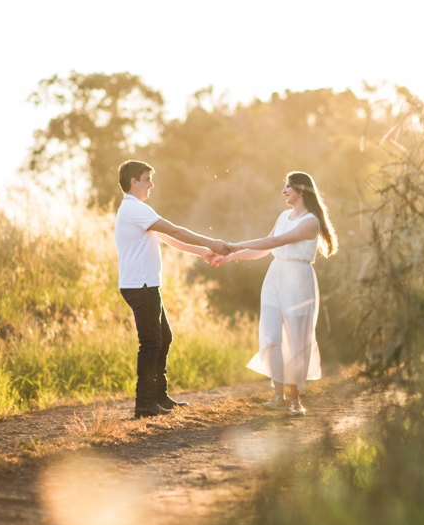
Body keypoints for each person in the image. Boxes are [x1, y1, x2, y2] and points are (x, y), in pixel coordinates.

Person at [213, 171, 338, 415]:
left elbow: (273, 243)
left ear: (301, 190)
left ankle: (295, 400)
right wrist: (230, 256)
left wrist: (237, 244)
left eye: (288, 187)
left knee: (296, 338)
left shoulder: (311, 221)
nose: (283, 191)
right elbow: (264, 249)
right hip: (275, 275)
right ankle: (277, 395)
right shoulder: (283, 216)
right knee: (271, 338)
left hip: (298, 279)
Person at [115, 160, 228, 419]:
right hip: (141, 286)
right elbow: (176, 229)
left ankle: (158, 396)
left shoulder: (135, 211)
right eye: (147, 179)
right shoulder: (135, 209)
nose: (151, 184)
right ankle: (145, 403)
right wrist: (211, 241)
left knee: (163, 338)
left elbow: (168, 237)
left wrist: (203, 251)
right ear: (133, 182)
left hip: (145, 285)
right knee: (151, 342)